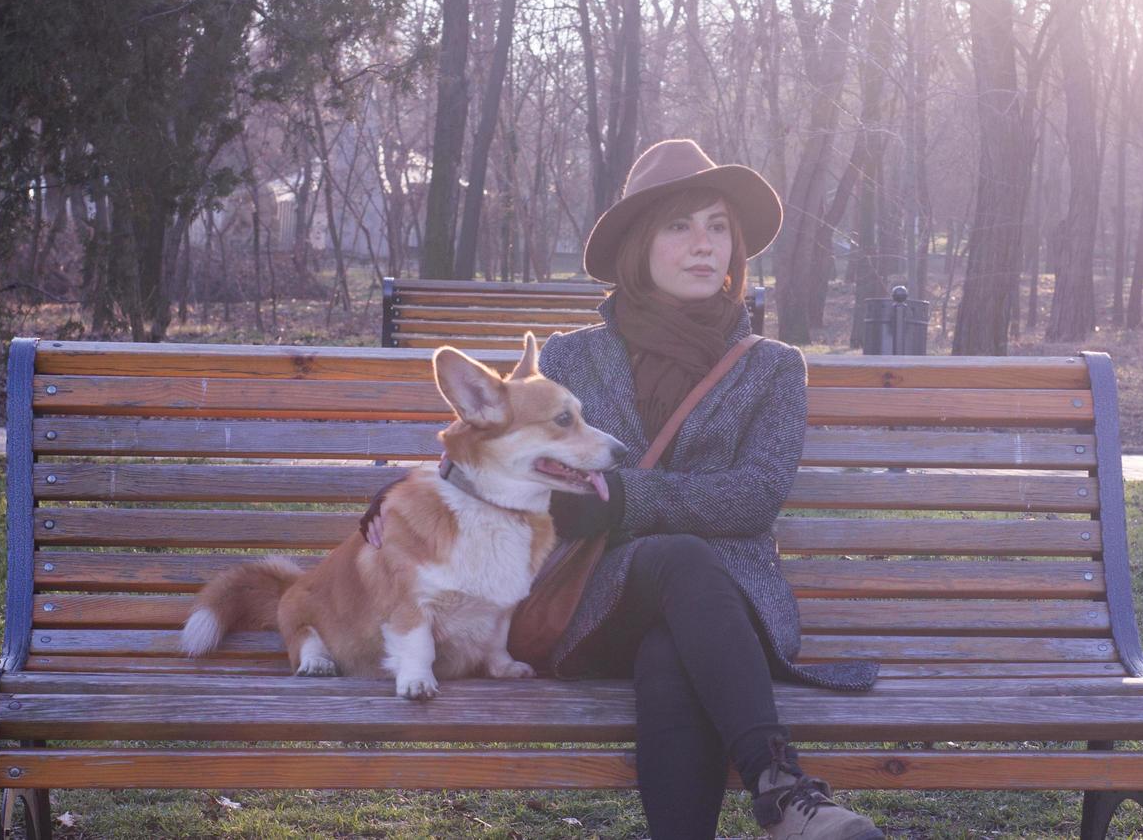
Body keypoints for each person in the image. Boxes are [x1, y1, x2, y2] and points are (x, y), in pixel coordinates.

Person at [370, 140, 881, 840]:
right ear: (640, 244)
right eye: (679, 226)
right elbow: (509, 459)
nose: (705, 245)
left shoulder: (773, 369)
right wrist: (406, 498)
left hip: (734, 611)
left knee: (671, 644)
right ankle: (783, 788)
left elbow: (756, 495)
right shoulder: (571, 357)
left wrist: (623, 498)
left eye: (718, 227)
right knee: (673, 557)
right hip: (593, 603)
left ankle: (771, 792)